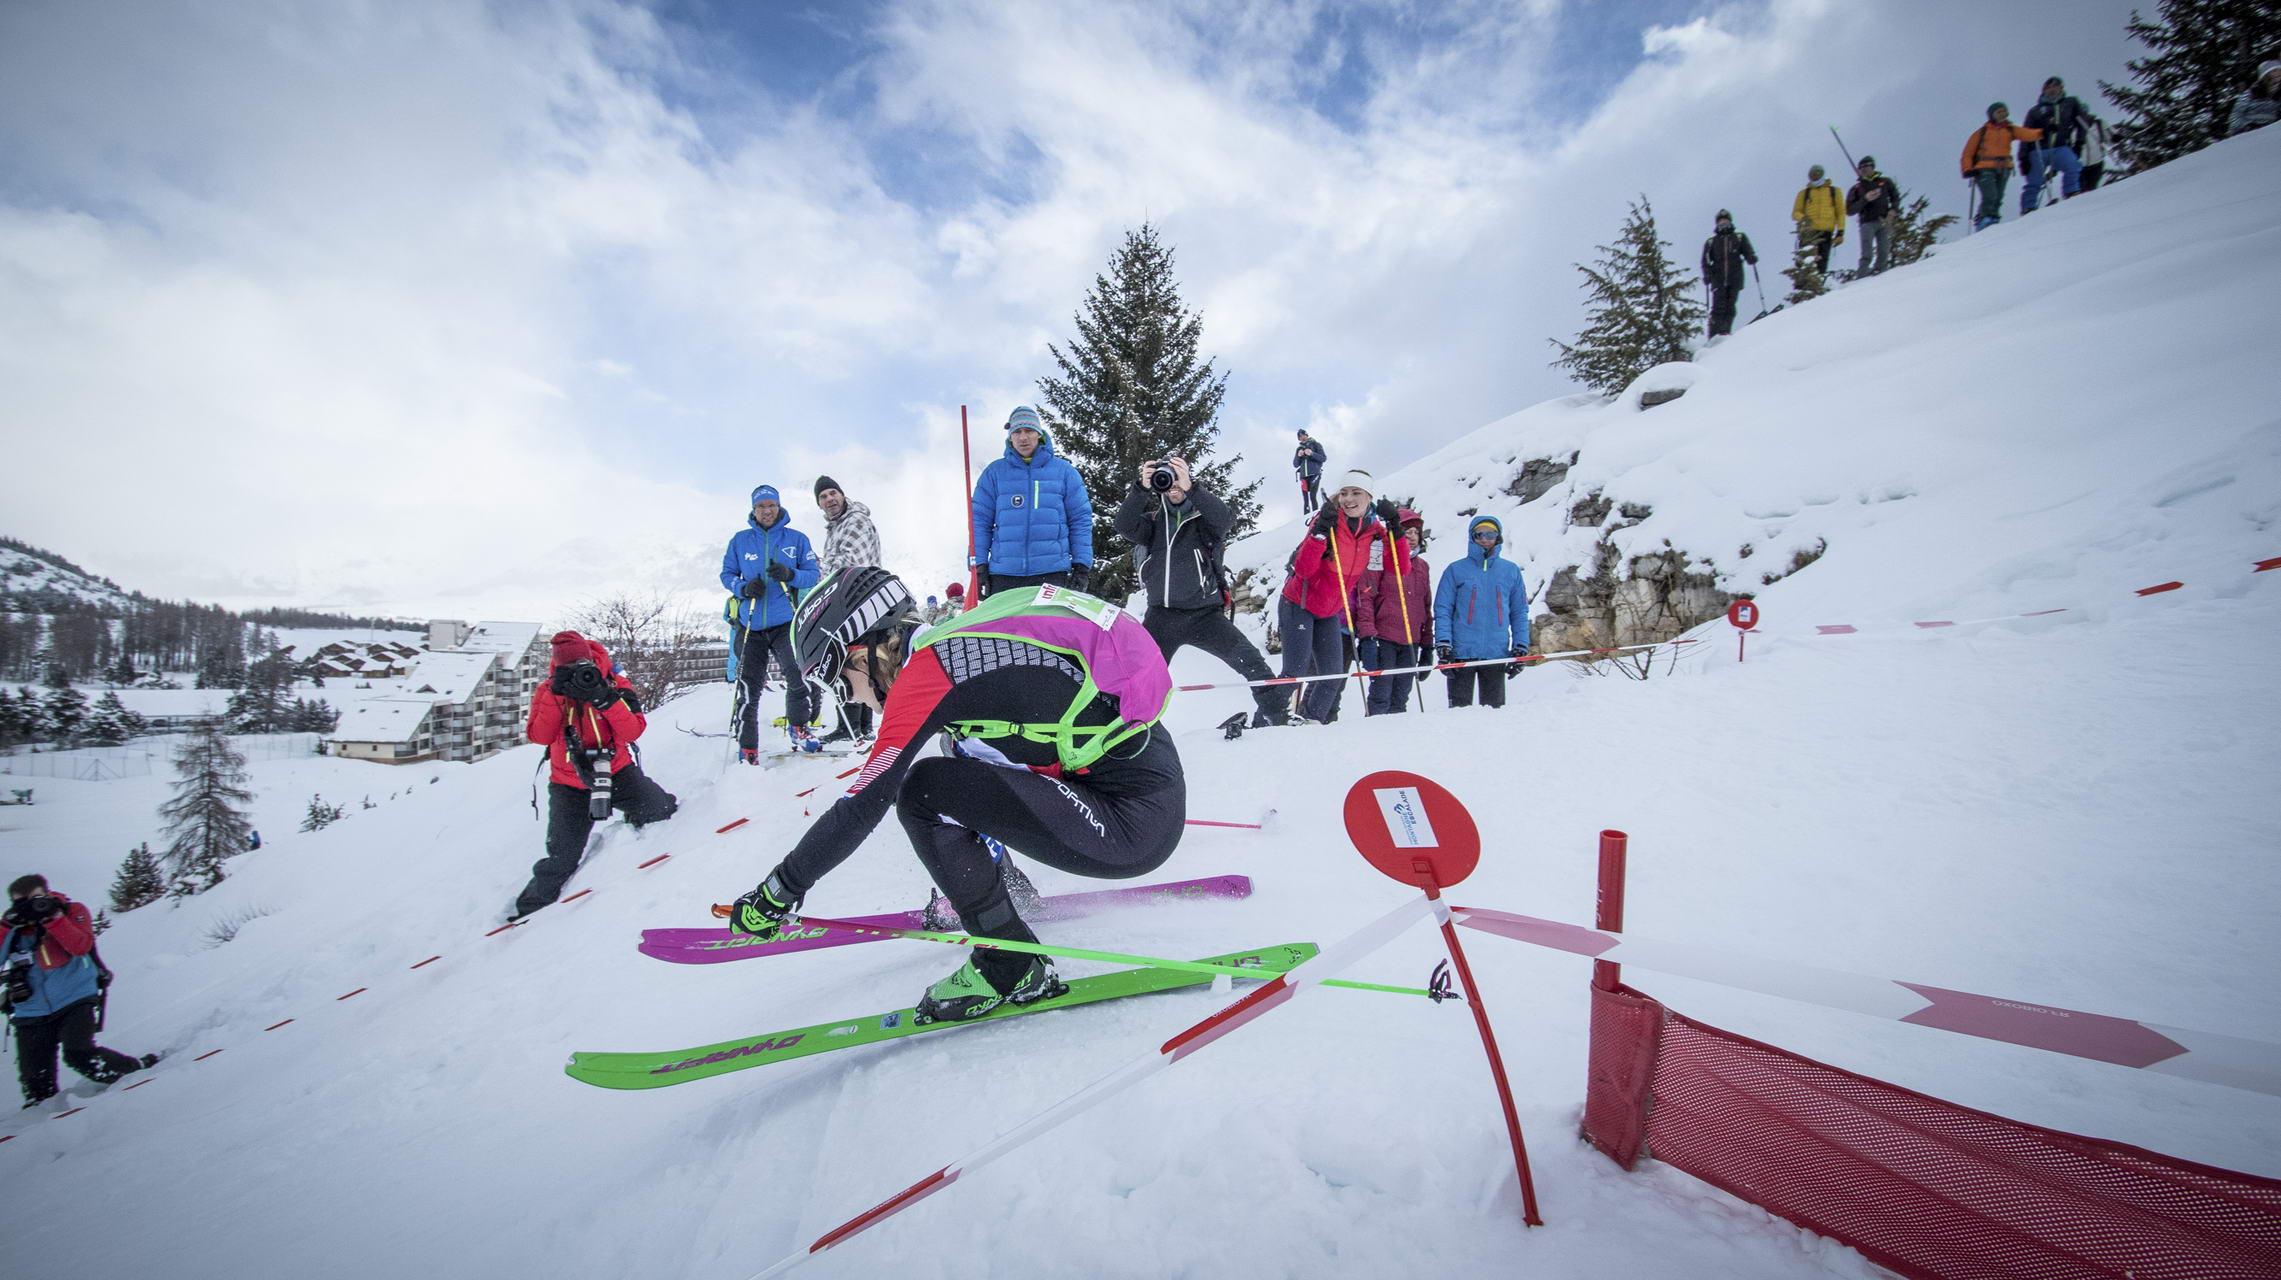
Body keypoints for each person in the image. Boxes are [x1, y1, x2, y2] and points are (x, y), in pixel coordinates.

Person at [724, 569, 1183, 1023]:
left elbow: (863, 804)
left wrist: (778, 891)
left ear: (861, 652)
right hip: (1142, 794)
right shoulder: (960, 641)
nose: (850, 699)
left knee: (922, 790)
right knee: (957, 757)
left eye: (840, 681)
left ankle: (1011, 966)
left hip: (1131, 827)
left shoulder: (930, 673)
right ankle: (1009, 893)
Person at [1110, 455, 1290, 729]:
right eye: (1166, 479)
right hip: (1162, 618)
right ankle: (1125, 729)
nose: (1172, 486)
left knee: (1252, 663)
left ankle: (1279, 718)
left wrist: (1192, 486)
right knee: (1137, 677)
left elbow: (1225, 518)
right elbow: (1123, 525)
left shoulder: (1204, 521)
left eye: (1176, 478)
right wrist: (1139, 488)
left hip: (1206, 616)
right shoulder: (1153, 523)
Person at [511, 631, 679, 920]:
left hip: (618, 771)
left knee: (662, 808)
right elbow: (539, 736)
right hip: (569, 782)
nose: (579, 674)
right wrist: (556, 696)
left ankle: (631, 833)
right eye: (570, 669)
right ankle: (528, 913)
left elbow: (633, 730)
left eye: (582, 666)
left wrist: (604, 698)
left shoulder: (613, 681)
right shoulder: (549, 689)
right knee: (562, 857)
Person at [5, 874, 157, 1107]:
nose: (30, 907)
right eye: (21, 902)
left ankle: (134, 1071)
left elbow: (81, 946)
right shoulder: (14, 928)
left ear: (46, 893)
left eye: (35, 899)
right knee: (35, 1080)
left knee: (79, 1053)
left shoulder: (71, 910)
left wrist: (53, 918)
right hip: (30, 1008)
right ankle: (43, 1121)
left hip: (75, 995)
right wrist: (7, 926)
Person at [1280, 470, 1405, 724]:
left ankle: (1311, 721)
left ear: (1369, 497)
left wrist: (1395, 527)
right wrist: (1320, 531)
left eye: (1356, 493)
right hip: (1299, 603)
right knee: (1295, 670)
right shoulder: (1328, 520)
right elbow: (1303, 570)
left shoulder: (1374, 530)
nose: (1349, 499)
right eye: (1345, 493)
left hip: (1329, 610)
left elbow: (1399, 568)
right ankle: (1267, 720)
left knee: (1333, 675)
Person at [721, 484, 823, 759]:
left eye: (771, 505)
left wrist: (790, 574)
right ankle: (747, 745)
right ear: (753, 510)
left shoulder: (796, 538)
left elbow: (812, 574)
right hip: (750, 623)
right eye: (761, 506)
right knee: (748, 687)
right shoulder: (740, 540)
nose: (767, 511)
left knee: (798, 674)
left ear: (779, 507)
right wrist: (742, 588)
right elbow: (726, 575)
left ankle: (800, 727)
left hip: (784, 621)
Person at [969, 405, 1093, 599]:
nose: (1023, 437)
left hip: (1051, 574)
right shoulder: (994, 474)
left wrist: (1082, 565)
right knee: (1004, 631)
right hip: (1004, 576)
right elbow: (979, 522)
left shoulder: (1064, 472)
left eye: (1028, 430)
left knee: (1048, 630)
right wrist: (979, 567)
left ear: (1039, 434)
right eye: (1017, 432)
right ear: (1010, 437)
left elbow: (1080, 520)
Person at [1432, 517, 1529, 710]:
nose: (1485, 539)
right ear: (1472, 537)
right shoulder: (1455, 570)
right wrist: (1443, 644)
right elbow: (1443, 609)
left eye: (1490, 534)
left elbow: (1519, 612)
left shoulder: (1510, 571)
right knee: (1459, 713)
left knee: (1494, 714)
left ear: (1498, 537)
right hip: (1461, 653)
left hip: (1496, 653)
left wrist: (1521, 647)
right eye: (1479, 534)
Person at [1355, 508, 1431, 715]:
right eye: (1406, 532)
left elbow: (1426, 606)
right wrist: (1368, 637)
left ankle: (1397, 741)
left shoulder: (1422, 566)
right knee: (1381, 694)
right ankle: (1373, 736)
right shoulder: (1379, 559)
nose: (1412, 537)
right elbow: (1366, 598)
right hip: (1384, 637)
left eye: (1416, 532)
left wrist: (1427, 645)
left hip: (1411, 640)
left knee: (1400, 696)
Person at [1961, 102, 2041, 230]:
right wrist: (1967, 169)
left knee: (1998, 196)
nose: (2002, 114)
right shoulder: (1982, 132)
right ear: (1992, 115)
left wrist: (2041, 132)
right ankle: (1986, 218)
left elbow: (2027, 134)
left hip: (2004, 167)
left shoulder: (2010, 129)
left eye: (2004, 111)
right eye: (1999, 112)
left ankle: (1992, 219)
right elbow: (1968, 152)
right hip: (1984, 167)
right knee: (1990, 195)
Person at [2021, 77, 2087, 214]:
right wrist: (2023, 157)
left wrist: (2079, 143)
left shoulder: (2070, 103)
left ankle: (2071, 192)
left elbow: (2082, 123)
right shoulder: (2035, 111)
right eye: (2049, 88)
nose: (2052, 90)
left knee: (2073, 165)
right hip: (2038, 149)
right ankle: (2028, 207)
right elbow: (2026, 134)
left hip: (2061, 146)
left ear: (2061, 88)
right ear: (2044, 90)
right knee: (2035, 179)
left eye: (2056, 87)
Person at [1701, 210, 1758, 338]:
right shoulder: (1712, 242)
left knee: (1730, 306)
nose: (1723, 223)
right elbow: (1705, 260)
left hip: (1735, 277)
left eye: (1725, 220)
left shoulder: (1739, 237)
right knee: (1718, 307)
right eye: (1720, 221)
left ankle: (1725, 331)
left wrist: (1751, 257)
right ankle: (1714, 334)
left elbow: (1748, 251)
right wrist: (1707, 274)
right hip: (1718, 278)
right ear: (1717, 224)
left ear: (1730, 221)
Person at [812, 476, 882, 576]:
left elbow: (851, 566)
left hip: (864, 589)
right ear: (819, 504)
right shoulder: (834, 528)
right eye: (823, 496)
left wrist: (814, 571)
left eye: (833, 493)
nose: (830, 499)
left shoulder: (856, 521)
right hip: (851, 590)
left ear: (842, 495)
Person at [1846, 156, 1902, 277]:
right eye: (1861, 167)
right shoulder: (1857, 188)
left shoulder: (1885, 182)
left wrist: (1893, 210)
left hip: (1883, 220)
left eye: (1866, 166)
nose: (1863, 169)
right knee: (1867, 253)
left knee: (1884, 251)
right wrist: (1865, 199)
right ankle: (1862, 276)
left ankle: (1881, 275)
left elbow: (1895, 197)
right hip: (1867, 223)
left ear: (1872, 167)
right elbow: (1849, 210)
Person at [1790, 164, 1846, 274]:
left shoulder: (1834, 191)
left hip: (1826, 232)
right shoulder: (1804, 193)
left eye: (1817, 174)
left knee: (1822, 263)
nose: (1815, 177)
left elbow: (1841, 212)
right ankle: (1806, 288)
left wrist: (1840, 232)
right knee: (1806, 264)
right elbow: (1795, 213)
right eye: (1812, 175)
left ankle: (1820, 286)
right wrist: (1804, 218)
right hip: (1808, 233)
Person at [2228, 60, 2281, 136]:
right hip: (2247, 132)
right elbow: (2236, 113)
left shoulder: (2278, 94)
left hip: (2268, 133)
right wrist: (2240, 129)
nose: (2278, 73)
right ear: (2266, 75)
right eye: (2274, 71)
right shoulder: (2251, 93)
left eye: (2279, 70)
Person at [1293, 430, 1328, 516]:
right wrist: (1298, 456)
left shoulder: (1316, 444)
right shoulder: (1299, 449)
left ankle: (1315, 515)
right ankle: (1305, 518)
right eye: (1300, 436)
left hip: (1314, 474)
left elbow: (1323, 458)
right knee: (1305, 499)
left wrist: (1312, 453)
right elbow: (1295, 464)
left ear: (1306, 435)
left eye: (1303, 435)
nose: (1302, 437)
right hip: (1303, 476)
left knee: (1312, 496)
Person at [2077, 111, 2113, 190]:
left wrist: (2115, 138)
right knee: (2079, 191)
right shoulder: (2072, 128)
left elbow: (2110, 138)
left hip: (2097, 163)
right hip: (2079, 166)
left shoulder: (2098, 124)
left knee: (2091, 188)